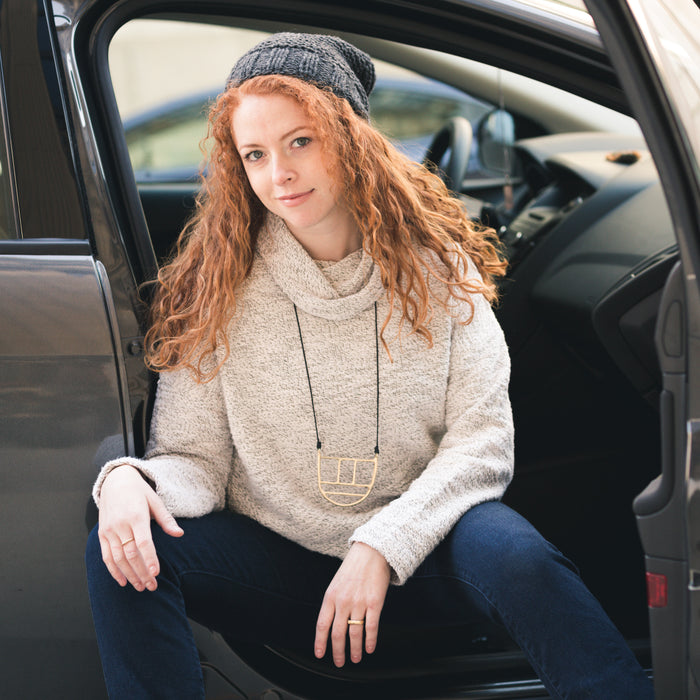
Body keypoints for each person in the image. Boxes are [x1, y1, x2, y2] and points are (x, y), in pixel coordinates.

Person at [85, 32, 653, 700]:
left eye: (301, 141)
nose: (280, 174)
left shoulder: (438, 269)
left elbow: (483, 442)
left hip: (425, 551)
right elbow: (196, 461)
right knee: (120, 548)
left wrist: (382, 546)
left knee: (522, 558)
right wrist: (128, 482)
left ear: (350, 136)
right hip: (286, 571)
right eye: (256, 155)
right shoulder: (219, 285)